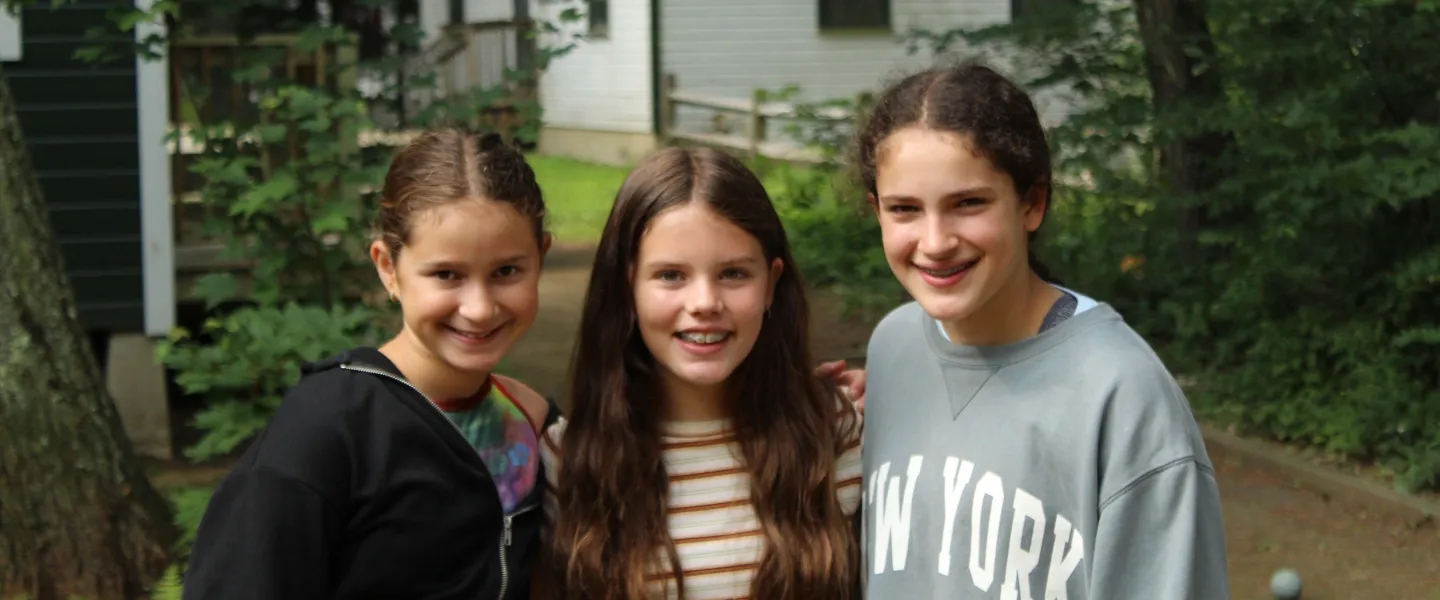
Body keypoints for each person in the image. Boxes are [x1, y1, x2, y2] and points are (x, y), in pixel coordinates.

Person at [853, 63, 1230, 598]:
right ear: (877, 212)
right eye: (905, 210)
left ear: (1032, 202)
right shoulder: (893, 347)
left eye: (968, 203)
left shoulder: (1121, 391)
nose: (935, 241)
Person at [183, 130, 559, 600]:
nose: (479, 308)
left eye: (506, 271)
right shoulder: (326, 429)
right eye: (446, 274)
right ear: (387, 267)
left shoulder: (535, 424)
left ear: (540, 258)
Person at [539, 147, 865, 600]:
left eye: (733, 273)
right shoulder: (569, 458)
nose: (705, 302)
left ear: (771, 283)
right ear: (627, 286)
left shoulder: (835, 430)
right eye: (671, 276)